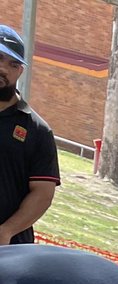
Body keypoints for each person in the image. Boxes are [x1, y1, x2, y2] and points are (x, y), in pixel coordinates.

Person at [0, 25, 59, 245]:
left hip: (8, 250)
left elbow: (43, 193)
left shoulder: (37, 130)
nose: (3, 69)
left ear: (20, 71)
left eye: (13, 64)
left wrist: (6, 231)